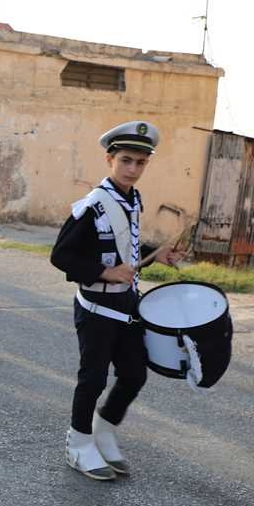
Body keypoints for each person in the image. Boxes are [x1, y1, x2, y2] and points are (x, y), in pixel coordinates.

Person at [50, 121, 183, 482]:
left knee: (134, 374)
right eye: (126, 160)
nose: (133, 169)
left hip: (126, 305)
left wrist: (157, 254)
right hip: (95, 307)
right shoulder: (94, 205)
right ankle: (78, 444)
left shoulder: (132, 199)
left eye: (140, 163)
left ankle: (103, 430)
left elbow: (127, 246)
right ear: (109, 159)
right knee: (92, 379)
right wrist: (105, 273)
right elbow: (61, 256)